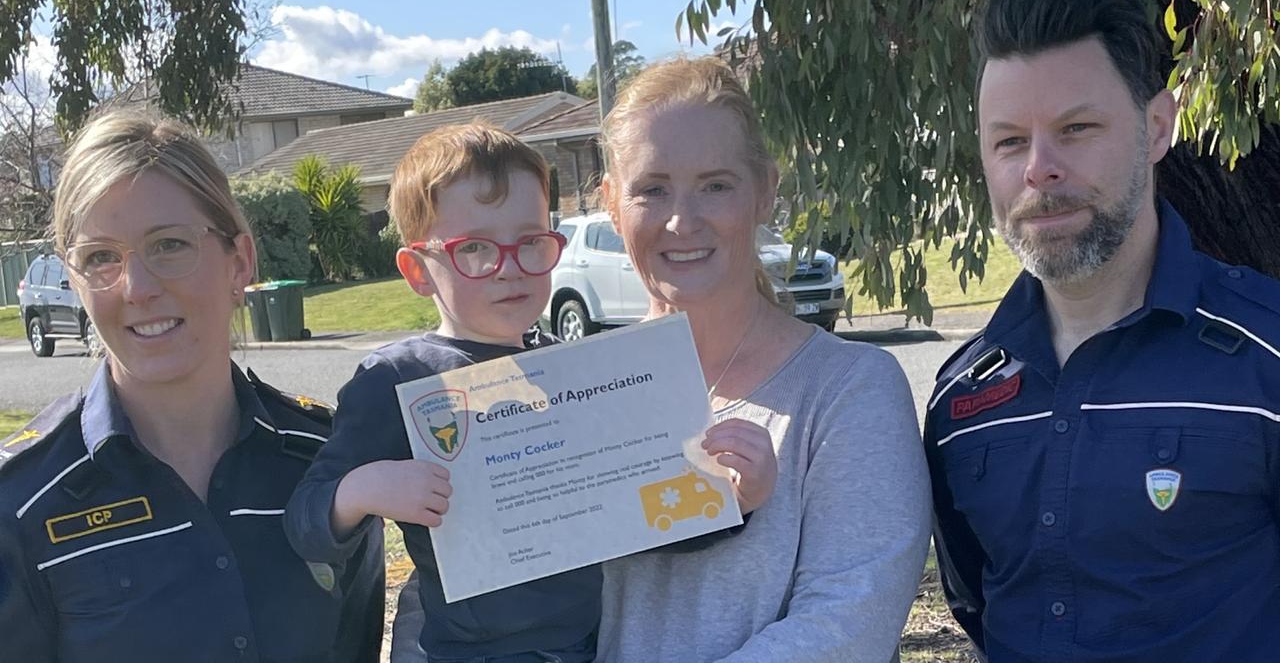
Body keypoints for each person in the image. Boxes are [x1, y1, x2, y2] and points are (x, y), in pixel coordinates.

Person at [283, 122, 778, 663]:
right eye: (474, 249)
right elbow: (305, 520)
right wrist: (359, 492)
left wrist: (733, 500)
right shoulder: (395, 380)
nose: (509, 269)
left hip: (591, 648)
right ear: (418, 270)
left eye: (529, 243)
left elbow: (635, 515)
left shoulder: (577, 371)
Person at [925, 0, 1280, 662]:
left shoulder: (1267, 355)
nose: (1039, 169)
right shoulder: (961, 401)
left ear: (1155, 128)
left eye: (1076, 129)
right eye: (1007, 142)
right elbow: (977, 601)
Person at [0, 112, 384, 661]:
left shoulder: (324, 465)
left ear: (240, 263)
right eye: (100, 258)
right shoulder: (20, 502)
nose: (136, 287)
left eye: (170, 245)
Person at [593, 56, 931, 663]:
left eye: (716, 185)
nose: (682, 220)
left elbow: (848, 624)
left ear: (767, 190)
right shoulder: (576, 395)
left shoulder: (848, 389)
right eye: (652, 189)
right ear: (612, 204)